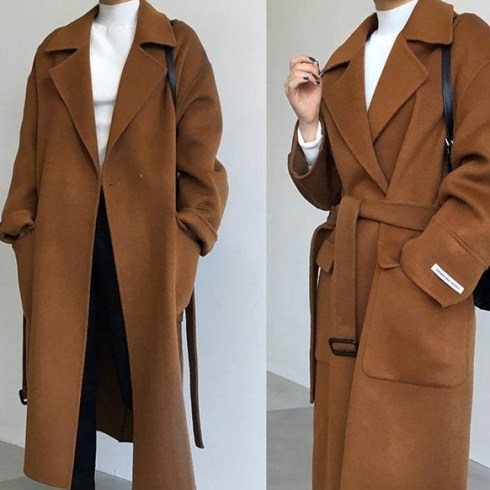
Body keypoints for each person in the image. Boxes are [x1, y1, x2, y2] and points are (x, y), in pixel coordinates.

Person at [0, 0, 228, 488]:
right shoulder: (55, 50)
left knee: (146, 387)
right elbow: (29, 155)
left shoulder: (177, 46)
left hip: (147, 248)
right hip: (62, 244)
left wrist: (189, 236)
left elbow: (202, 161)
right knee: (70, 388)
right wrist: (23, 231)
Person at [285, 0, 490, 489]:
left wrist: (428, 272)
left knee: (409, 459)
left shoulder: (463, 42)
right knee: (342, 460)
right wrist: (310, 126)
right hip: (345, 291)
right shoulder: (344, 61)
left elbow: (484, 174)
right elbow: (332, 192)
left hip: (422, 286)